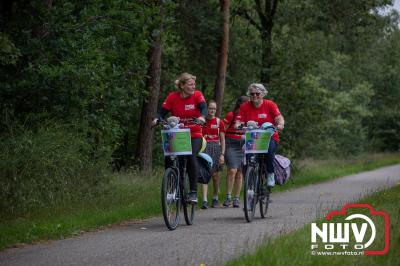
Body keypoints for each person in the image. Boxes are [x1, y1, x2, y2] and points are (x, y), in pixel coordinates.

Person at [153, 73, 207, 203]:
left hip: (194, 134)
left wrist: (202, 117)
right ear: (182, 86)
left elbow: (203, 108)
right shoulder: (172, 97)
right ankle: (172, 189)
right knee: (169, 158)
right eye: (190, 84)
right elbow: (161, 112)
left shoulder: (197, 95)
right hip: (177, 134)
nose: (193, 87)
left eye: (194, 84)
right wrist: (156, 119)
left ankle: (193, 192)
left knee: (191, 156)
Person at [237, 83, 285, 189]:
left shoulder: (270, 104)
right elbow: (238, 121)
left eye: (257, 93)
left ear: (263, 94)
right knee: (248, 157)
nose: (254, 96)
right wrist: (240, 125)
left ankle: (270, 174)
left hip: (269, 136)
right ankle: (250, 178)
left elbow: (278, 117)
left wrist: (280, 124)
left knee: (269, 150)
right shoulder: (245, 107)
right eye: (252, 94)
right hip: (252, 137)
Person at [222, 96, 249, 208]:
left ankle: (236, 198)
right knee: (232, 170)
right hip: (231, 143)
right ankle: (228, 196)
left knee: (240, 172)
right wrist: (222, 143)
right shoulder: (231, 115)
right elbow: (223, 130)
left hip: (244, 143)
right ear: (240, 104)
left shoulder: (248, 116)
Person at [201, 100, 225, 209]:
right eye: (210, 108)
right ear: (207, 109)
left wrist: (222, 154)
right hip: (204, 148)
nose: (212, 111)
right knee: (205, 173)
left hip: (216, 148)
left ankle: (215, 197)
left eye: (214, 109)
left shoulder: (219, 122)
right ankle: (204, 200)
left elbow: (223, 139)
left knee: (215, 175)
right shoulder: (202, 121)